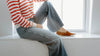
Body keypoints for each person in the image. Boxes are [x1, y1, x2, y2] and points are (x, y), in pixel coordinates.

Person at [7, 0, 75, 56]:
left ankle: (60, 29)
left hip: (32, 20)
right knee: (56, 39)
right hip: (24, 28)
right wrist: (35, 25)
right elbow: (16, 19)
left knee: (47, 4)